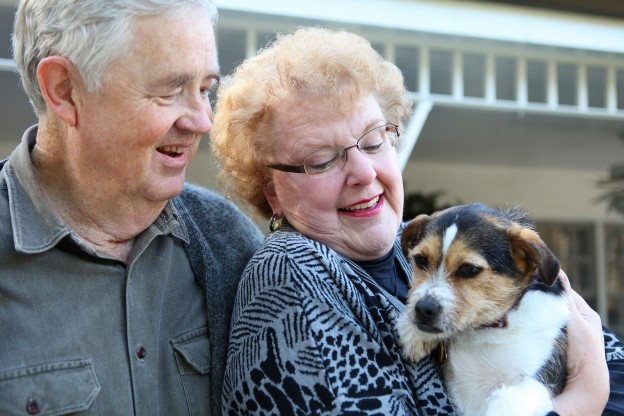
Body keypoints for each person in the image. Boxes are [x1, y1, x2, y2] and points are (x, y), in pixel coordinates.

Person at [211, 27, 624, 415]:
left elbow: (613, 361)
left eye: (373, 141)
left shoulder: (426, 241)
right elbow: (598, 376)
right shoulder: (291, 275)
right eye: (321, 160)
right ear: (272, 192)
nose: (365, 173)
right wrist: (583, 397)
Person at [0, 1, 263, 415]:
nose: (202, 121)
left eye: (205, 89)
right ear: (65, 90)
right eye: (170, 89)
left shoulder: (230, 244)